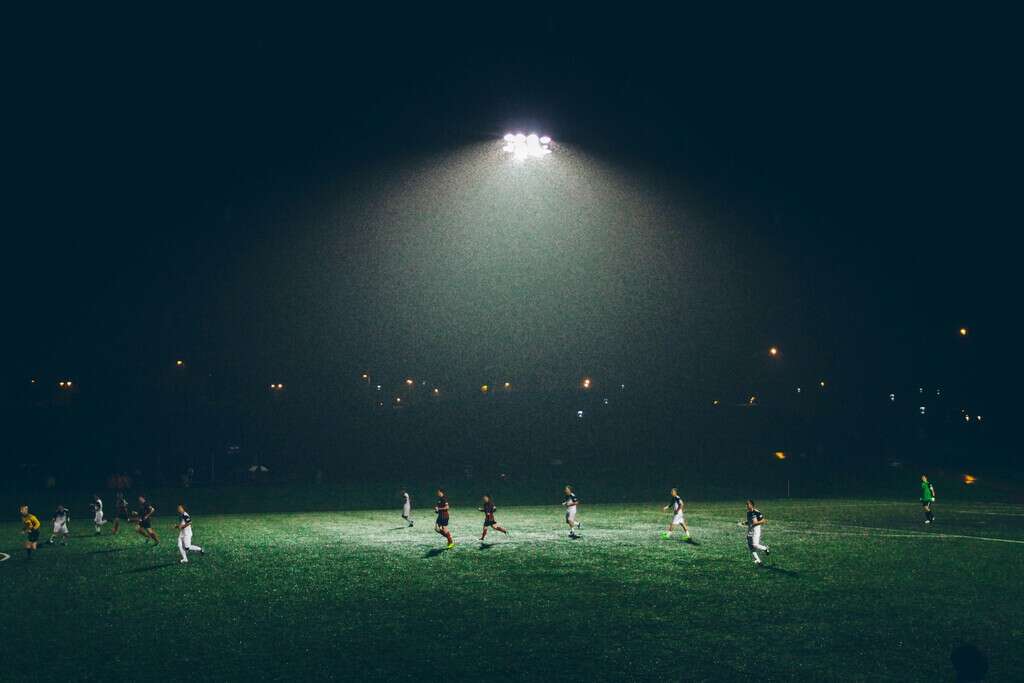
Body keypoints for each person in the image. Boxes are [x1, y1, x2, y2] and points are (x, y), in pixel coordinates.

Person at [744, 499, 770, 566]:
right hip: (750, 530)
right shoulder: (748, 513)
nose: (746, 505)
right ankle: (758, 560)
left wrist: (756, 523)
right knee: (750, 547)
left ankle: (765, 548)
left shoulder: (756, 512)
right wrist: (744, 523)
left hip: (756, 530)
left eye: (748, 504)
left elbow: (763, 521)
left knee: (755, 545)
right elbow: (750, 522)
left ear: (752, 505)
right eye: (746, 504)